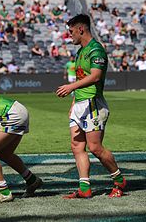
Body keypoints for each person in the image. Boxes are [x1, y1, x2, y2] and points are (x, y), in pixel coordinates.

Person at [56, 14, 126, 199]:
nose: (69, 36)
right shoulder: (80, 51)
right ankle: (84, 188)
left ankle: (119, 180)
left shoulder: (96, 50)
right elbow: (81, 77)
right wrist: (73, 101)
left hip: (93, 103)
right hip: (80, 104)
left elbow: (95, 76)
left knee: (95, 148)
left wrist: (70, 87)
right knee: (76, 145)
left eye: (71, 32)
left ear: (81, 29)